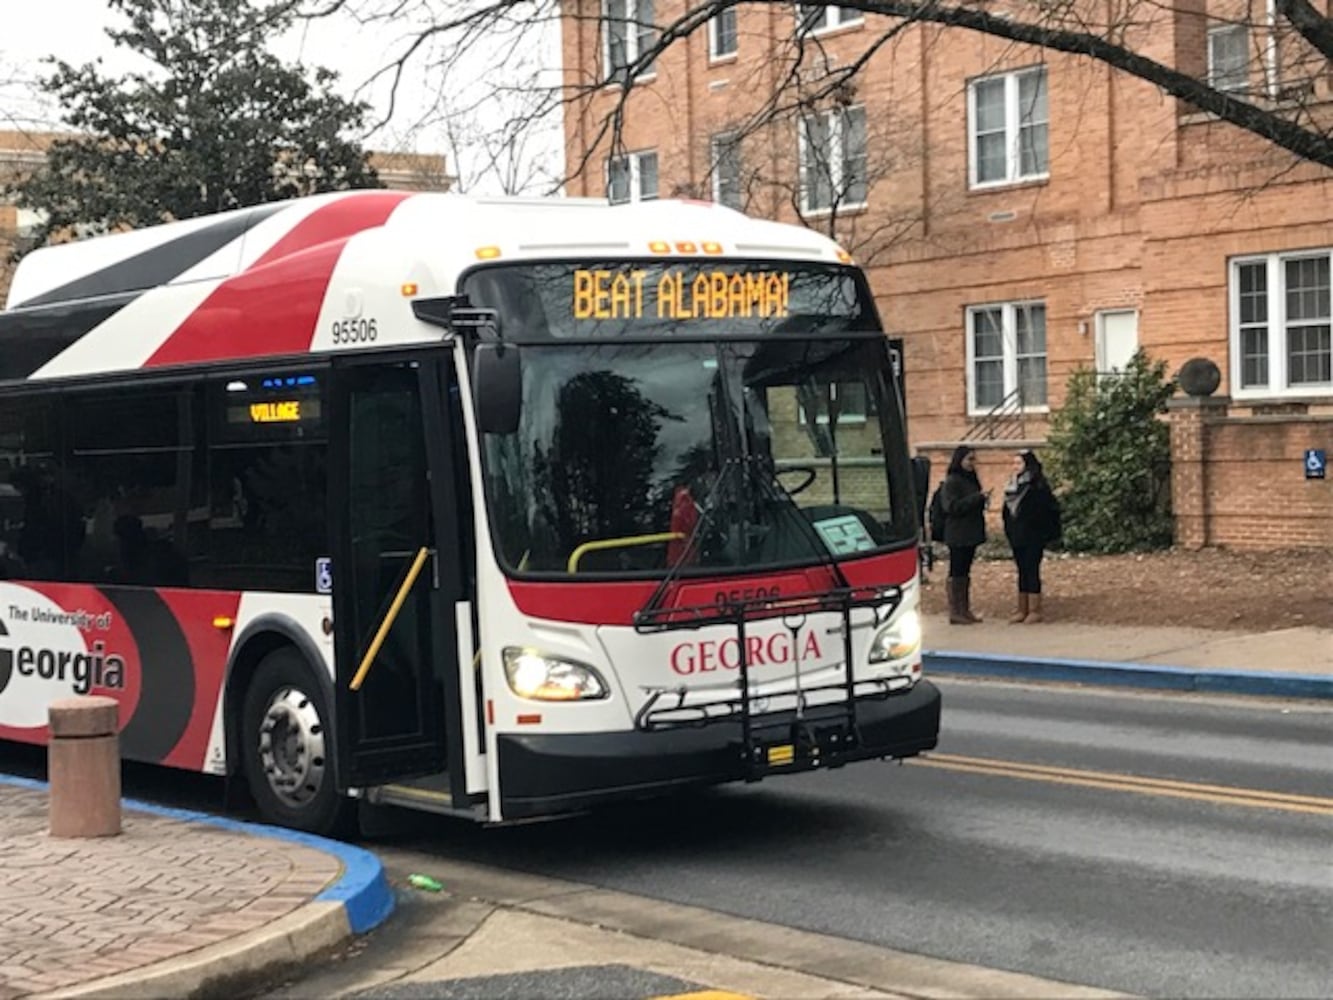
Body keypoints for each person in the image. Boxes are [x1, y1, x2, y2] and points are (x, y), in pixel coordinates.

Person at [1001, 449, 1062, 624]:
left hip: (1034, 535)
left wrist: (1042, 531)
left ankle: (1035, 609)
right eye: (1014, 463)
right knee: (1021, 570)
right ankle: (1022, 608)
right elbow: (1006, 512)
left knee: (1032, 569)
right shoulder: (1011, 486)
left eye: (1019, 463)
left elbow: (1047, 510)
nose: (1015, 467)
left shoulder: (1038, 486)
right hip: (1016, 535)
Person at [939, 445, 989, 624]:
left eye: (973, 459)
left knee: (965, 571)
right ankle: (955, 610)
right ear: (959, 460)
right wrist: (976, 498)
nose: (972, 463)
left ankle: (964, 608)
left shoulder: (972, 479)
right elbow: (951, 507)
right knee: (957, 570)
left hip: (971, 531)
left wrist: (982, 500)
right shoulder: (952, 481)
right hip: (958, 533)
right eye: (969, 459)